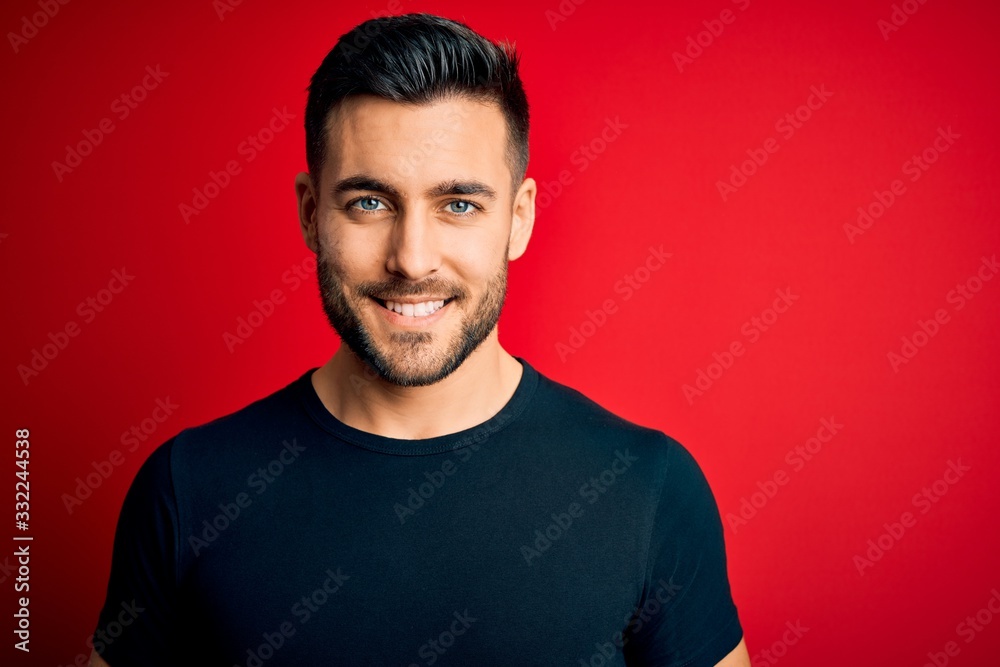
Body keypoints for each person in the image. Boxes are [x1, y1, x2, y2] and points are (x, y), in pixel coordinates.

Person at [90, 13, 750, 666]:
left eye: (458, 204)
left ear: (518, 220)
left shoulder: (648, 488)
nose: (411, 259)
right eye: (369, 202)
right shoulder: (188, 488)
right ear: (310, 214)